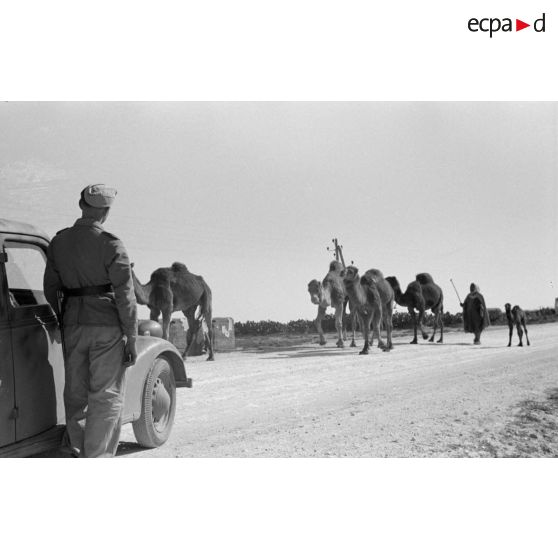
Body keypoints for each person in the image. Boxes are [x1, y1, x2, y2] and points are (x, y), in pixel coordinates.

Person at [43, 184, 138, 457]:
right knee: (106, 394)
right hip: (107, 326)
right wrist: (131, 336)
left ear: (80, 204)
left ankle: (77, 447)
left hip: (73, 323)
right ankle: (96, 457)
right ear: (106, 212)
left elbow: (51, 288)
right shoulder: (111, 243)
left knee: (75, 391)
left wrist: (66, 317)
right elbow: (126, 296)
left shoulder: (59, 242)